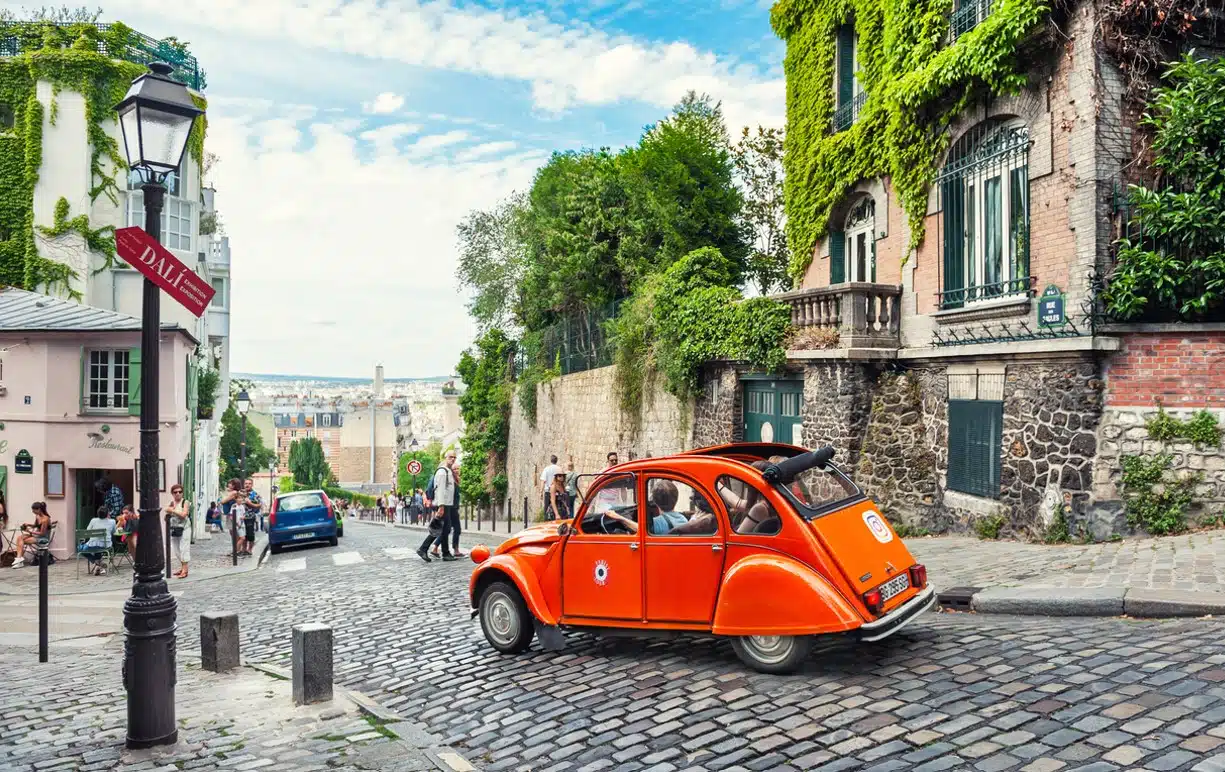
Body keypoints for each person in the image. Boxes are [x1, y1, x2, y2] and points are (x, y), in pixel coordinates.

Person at [418, 450, 459, 562]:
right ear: (446, 457)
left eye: (454, 457)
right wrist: (441, 506)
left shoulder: (448, 471)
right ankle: (423, 548)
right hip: (443, 504)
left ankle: (445, 553)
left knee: (445, 528)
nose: (453, 459)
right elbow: (440, 490)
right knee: (439, 528)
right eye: (451, 457)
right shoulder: (442, 472)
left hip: (447, 504)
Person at [11, 502, 52, 568]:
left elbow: (42, 533)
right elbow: (36, 525)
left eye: (34, 510)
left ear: (39, 509)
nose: (33, 511)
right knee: (19, 537)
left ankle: (19, 561)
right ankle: (19, 559)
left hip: (43, 538)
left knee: (22, 540)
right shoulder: (38, 516)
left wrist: (29, 531)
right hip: (36, 536)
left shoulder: (45, 519)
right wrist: (28, 524)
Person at [81, 506, 115, 576]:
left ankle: (96, 562)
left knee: (80, 548)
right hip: (106, 546)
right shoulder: (112, 521)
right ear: (107, 514)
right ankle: (99, 563)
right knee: (98, 548)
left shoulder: (93, 520)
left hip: (93, 545)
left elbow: (88, 531)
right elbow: (113, 532)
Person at [165, 484, 190, 578]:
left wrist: (172, 510)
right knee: (176, 550)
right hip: (174, 528)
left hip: (185, 528)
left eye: (180, 492)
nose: (178, 494)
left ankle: (185, 570)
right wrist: (169, 511)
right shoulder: (171, 503)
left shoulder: (185, 502)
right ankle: (183, 568)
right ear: (172, 493)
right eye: (175, 492)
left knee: (184, 548)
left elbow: (184, 514)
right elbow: (166, 516)